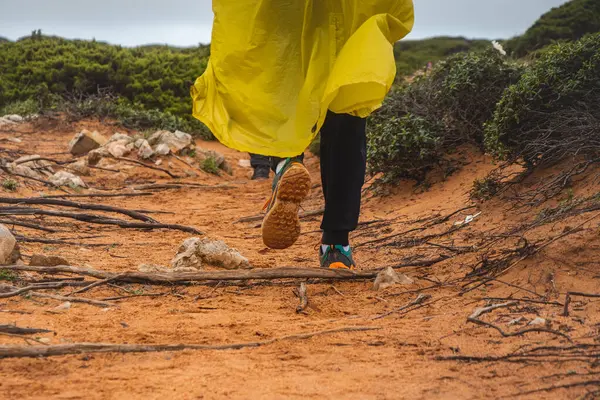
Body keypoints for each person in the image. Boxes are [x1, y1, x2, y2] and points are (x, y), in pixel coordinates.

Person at [191, 1, 414, 269]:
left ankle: (286, 161)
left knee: (283, 84)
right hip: (346, 11)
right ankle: (335, 243)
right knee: (346, 108)